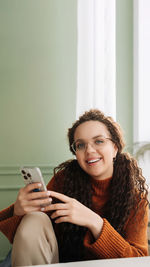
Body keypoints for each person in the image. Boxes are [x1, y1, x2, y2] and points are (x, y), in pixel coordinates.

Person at [0, 109, 149, 266]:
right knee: (34, 218)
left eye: (99, 141)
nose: (89, 150)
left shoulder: (136, 199)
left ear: (115, 147)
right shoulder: (64, 181)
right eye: (80, 145)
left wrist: (95, 222)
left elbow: (138, 260)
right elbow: (30, 240)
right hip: (60, 262)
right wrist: (18, 211)